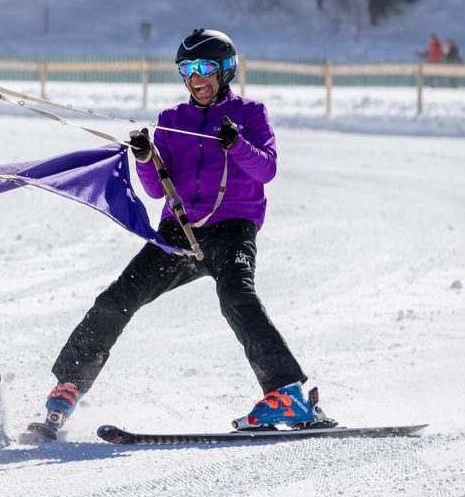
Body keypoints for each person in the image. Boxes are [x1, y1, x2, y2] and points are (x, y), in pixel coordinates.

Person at [31, 28, 331, 439]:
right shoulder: (172, 122)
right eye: (186, 69)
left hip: (232, 231)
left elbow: (267, 169)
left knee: (236, 298)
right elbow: (156, 188)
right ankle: (68, 387)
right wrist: (143, 159)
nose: (195, 77)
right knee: (118, 298)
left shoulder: (251, 113)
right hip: (179, 232)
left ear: (225, 70)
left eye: (204, 68)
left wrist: (237, 144)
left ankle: (287, 394)